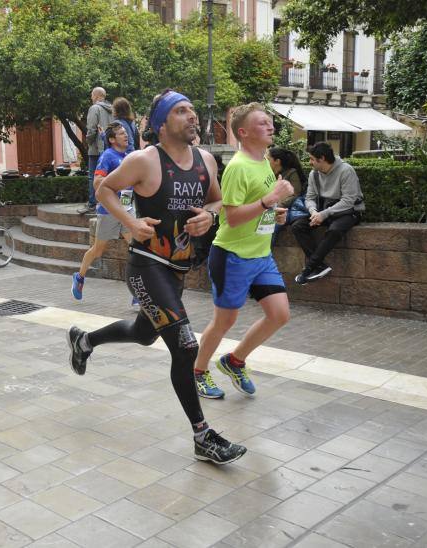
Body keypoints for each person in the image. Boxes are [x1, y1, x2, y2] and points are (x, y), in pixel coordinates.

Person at [66, 89, 246, 465]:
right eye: (182, 111)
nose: (192, 115)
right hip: (147, 266)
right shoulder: (144, 160)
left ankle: (85, 341)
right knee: (184, 345)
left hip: (178, 269)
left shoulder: (207, 161)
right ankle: (202, 435)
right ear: (162, 124)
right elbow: (105, 188)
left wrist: (209, 216)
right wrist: (130, 222)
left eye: (193, 109)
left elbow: (216, 201)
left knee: (145, 333)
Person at [192, 103, 293, 400]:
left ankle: (234, 361)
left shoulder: (263, 162)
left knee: (279, 314)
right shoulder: (237, 167)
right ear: (244, 132)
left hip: (261, 257)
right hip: (232, 256)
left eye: (271, 122)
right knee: (225, 321)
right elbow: (232, 217)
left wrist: (273, 212)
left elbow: (256, 207)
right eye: (263, 123)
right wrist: (270, 199)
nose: (271, 126)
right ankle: (197, 372)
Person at [71, 122, 133, 302]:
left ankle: (137, 293)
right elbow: (97, 182)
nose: (126, 135)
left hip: (127, 210)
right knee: (98, 250)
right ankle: (80, 277)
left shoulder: (129, 156)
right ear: (112, 140)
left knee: (136, 249)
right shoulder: (108, 156)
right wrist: (114, 188)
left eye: (125, 133)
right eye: (121, 134)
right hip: (109, 211)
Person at [291, 141, 364, 284]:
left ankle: (309, 267)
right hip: (325, 210)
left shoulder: (346, 170)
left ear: (322, 158)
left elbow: (348, 201)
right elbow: (310, 198)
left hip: (349, 212)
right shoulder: (314, 174)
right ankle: (320, 266)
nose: (310, 162)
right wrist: (313, 211)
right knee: (298, 226)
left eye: (312, 159)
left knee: (334, 230)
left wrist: (323, 214)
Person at [78, 87, 113, 214]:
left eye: (92, 95)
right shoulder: (112, 109)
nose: (91, 98)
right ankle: (107, 202)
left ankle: (92, 203)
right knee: (108, 176)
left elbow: (91, 129)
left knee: (93, 177)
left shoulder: (95, 108)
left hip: (96, 149)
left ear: (97, 96)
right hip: (111, 149)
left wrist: (88, 141)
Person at [268, 148, 306, 247]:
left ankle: (265, 255)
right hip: (270, 208)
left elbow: (295, 194)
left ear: (277, 161)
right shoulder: (270, 174)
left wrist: (279, 204)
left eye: (268, 159)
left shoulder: (292, 173)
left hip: (286, 209)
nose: (266, 162)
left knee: (271, 228)